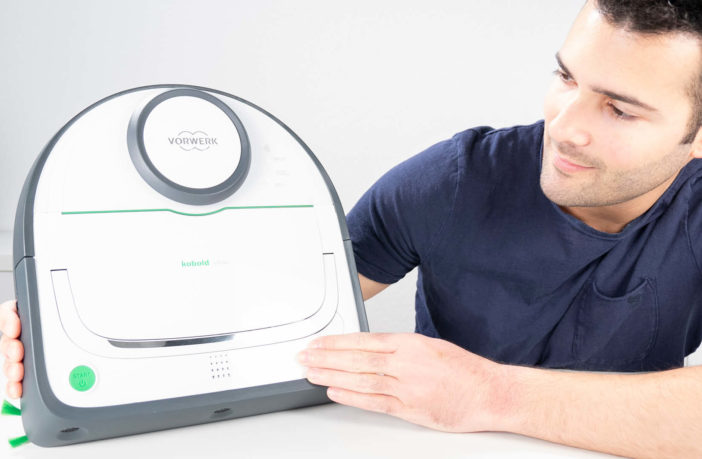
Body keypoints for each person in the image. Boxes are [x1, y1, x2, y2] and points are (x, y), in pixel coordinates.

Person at [3, 0, 702, 456]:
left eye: (620, 109)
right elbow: (256, 311)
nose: (565, 126)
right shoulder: (453, 182)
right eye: (566, 78)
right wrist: (58, 335)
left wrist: (489, 394)